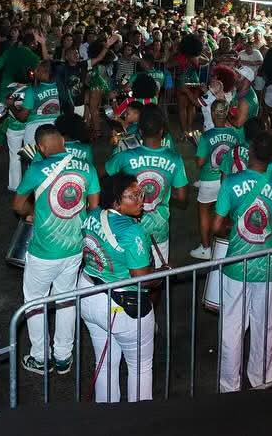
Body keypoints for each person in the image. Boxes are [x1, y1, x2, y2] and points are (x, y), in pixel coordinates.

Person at [213, 130, 272, 392]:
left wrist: (233, 228)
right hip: (270, 266)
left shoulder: (231, 183)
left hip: (236, 265)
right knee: (266, 327)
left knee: (232, 326)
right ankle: (261, 381)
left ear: (250, 151)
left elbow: (216, 227)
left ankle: (229, 386)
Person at [13, 124, 100, 376]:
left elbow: (18, 205)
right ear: (62, 140)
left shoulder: (36, 169)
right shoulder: (87, 167)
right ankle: (63, 357)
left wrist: (33, 213)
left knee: (35, 301)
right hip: (74, 248)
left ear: (40, 147)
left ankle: (40, 357)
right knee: (66, 300)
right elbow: (94, 207)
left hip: (43, 251)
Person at [78, 172, 159, 402]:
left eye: (141, 193)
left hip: (89, 295)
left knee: (105, 363)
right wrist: (163, 274)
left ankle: (107, 417)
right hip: (122, 306)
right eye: (133, 196)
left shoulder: (92, 215)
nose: (141, 199)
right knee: (140, 366)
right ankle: (138, 419)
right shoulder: (132, 231)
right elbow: (142, 278)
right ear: (115, 202)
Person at [104, 104, 188, 267]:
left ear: (140, 131)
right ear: (162, 130)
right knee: (158, 272)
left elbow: (102, 172)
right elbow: (182, 197)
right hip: (159, 228)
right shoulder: (175, 159)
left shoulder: (125, 157)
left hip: (128, 228)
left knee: (132, 271)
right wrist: (164, 192)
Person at [192, 99, 244, 260]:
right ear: (227, 113)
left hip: (209, 180)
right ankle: (223, 248)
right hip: (229, 180)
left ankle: (206, 248)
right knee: (224, 215)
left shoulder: (206, 136)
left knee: (204, 213)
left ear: (213, 114)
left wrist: (197, 146)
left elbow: (200, 162)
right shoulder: (235, 134)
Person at [3, 59, 62, 191]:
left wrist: (11, 106)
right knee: (53, 160)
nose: (35, 72)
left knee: (33, 162)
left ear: (45, 73)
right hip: (55, 128)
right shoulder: (60, 87)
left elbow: (22, 117)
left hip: (34, 131)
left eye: (38, 70)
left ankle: (34, 192)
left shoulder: (32, 91)